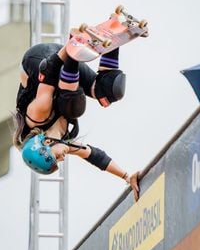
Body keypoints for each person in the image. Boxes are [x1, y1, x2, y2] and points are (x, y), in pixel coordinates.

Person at [12, 41, 141, 201]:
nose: (62, 159)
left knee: (72, 107)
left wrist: (71, 48)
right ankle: (114, 37)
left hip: (40, 61)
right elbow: (96, 157)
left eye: (56, 157)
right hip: (63, 75)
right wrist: (127, 177)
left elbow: (49, 72)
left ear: (45, 145)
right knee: (107, 93)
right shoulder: (64, 142)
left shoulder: (37, 115)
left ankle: (74, 53)